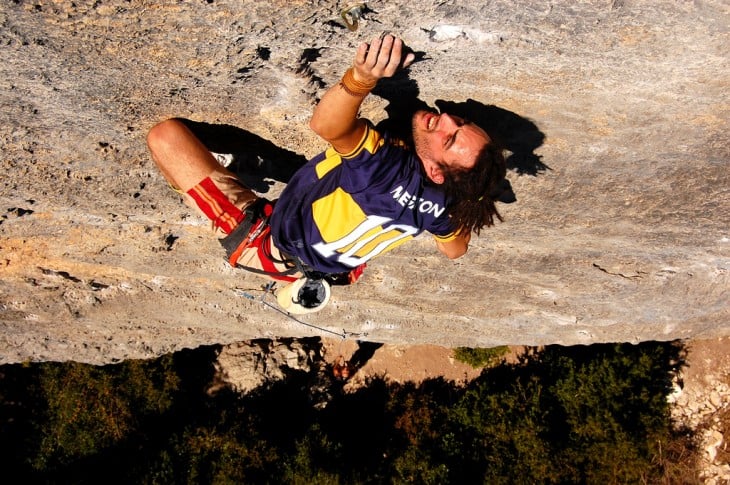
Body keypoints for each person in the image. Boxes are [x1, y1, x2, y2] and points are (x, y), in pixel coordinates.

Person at [147, 34, 506, 313]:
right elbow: (456, 251)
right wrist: (470, 199)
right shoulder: (447, 205)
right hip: (334, 262)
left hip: (266, 242)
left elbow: (327, 124)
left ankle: (228, 179)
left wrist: (362, 77)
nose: (444, 116)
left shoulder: (386, 167)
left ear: (435, 171)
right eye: (460, 122)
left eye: (450, 137)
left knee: (165, 137)